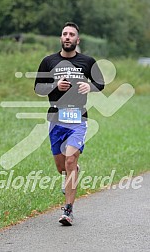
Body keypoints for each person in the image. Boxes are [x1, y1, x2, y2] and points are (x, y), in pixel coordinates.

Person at [34, 22, 104, 226]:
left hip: (78, 119)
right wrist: (56, 85)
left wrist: (88, 86)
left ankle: (68, 211)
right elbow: (38, 88)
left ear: (77, 40)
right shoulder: (49, 61)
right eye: (64, 34)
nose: (67, 37)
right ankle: (70, 172)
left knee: (70, 161)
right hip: (56, 120)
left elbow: (101, 84)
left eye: (71, 34)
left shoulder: (88, 62)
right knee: (61, 167)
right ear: (61, 38)